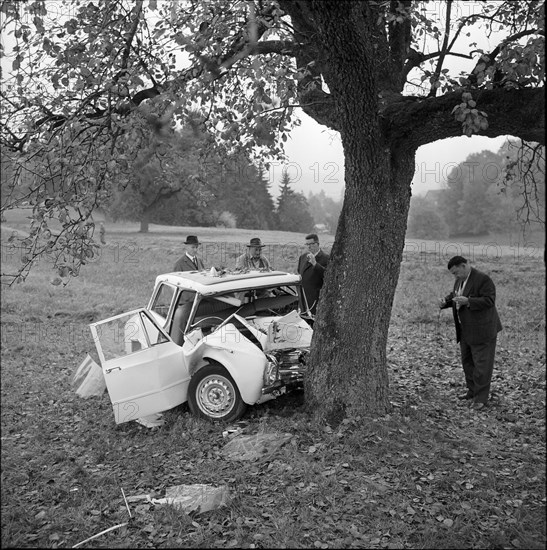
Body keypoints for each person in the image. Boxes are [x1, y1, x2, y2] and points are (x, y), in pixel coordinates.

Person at [439, 256, 503, 411]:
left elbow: (489, 300)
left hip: (483, 330)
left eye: (456, 272)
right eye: (453, 274)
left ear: (463, 265)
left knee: (482, 365)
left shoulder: (482, 279)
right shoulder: (460, 279)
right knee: (467, 362)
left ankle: (481, 398)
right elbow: (456, 295)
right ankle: (472, 391)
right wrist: (446, 302)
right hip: (466, 330)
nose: (455, 276)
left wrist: (468, 301)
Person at [297, 233, 329, 320]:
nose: (308, 247)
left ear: (317, 244)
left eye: (311, 244)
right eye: (307, 244)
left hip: (317, 301)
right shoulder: (303, 257)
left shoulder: (326, 258)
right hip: (303, 302)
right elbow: (300, 274)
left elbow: (328, 276)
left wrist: (315, 264)